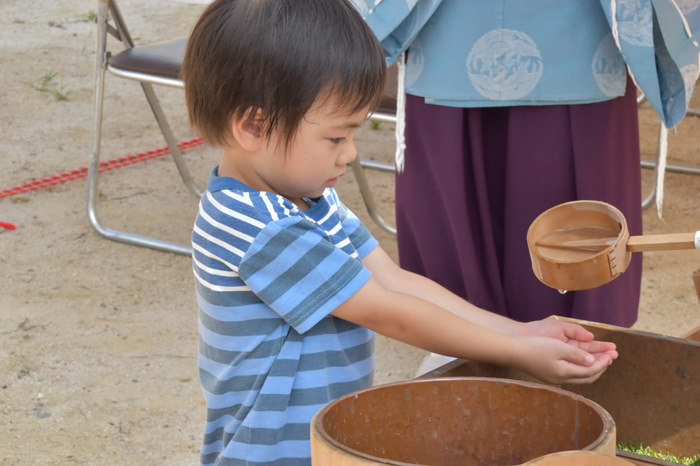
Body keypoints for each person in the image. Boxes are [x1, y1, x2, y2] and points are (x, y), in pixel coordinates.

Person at [182, 0, 618, 464]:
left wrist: (523, 333)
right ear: (253, 126)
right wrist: (515, 350)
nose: (349, 154)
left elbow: (395, 280)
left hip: (321, 445)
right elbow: (388, 310)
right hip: (272, 454)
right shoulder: (257, 226)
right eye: (336, 137)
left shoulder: (306, 199)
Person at [352, 0, 700, 329]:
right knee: (448, 196)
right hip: (452, 22)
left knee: (583, 224)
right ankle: (456, 339)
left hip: (578, 28)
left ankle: (585, 339)